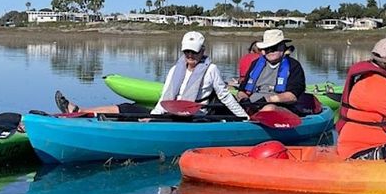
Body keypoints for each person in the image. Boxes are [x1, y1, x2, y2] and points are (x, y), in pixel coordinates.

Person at [56, 31, 247, 119]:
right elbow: (165, 98)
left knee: (138, 115)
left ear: (202, 50)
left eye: (194, 52)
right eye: (187, 52)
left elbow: (224, 96)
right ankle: (80, 111)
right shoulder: (175, 69)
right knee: (128, 108)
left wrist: (244, 117)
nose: (190, 56)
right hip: (170, 113)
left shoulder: (211, 70)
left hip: (193, 117)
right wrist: (154, 115)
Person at [236, 29, 307, 114]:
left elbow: (292, 96)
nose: (270, 51)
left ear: (283, 47)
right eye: (267, 48)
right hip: (252, 106)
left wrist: (266, 100)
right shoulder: (255, 64)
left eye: (274, 48)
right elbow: (242, 90)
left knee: (269, 109)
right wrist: (244, 100)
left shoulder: (294, 66)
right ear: (262, 50)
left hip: (280, 107)